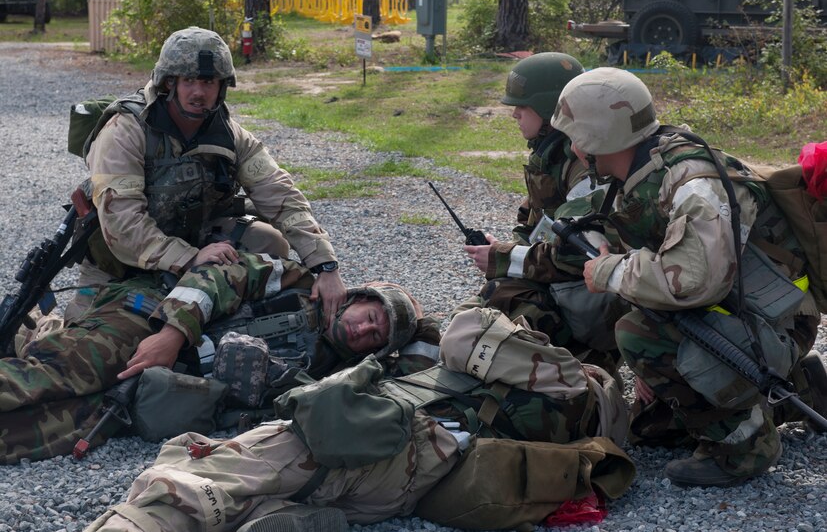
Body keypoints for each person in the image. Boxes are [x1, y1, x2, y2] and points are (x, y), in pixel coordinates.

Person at [82, 305, 631, 532]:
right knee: (262, 483)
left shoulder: (569, 385)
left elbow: (466, 331)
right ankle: (289, 514)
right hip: (399, 478)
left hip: (384, 437)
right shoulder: (554, 415)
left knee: (197, 474)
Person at [549, 67, 824, 487]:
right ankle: (799, 390)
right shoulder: (642, 171)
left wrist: (610, 272)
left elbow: (693, 281)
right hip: (737, 314)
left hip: (774, 322)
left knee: (638, 335)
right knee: (653, 429)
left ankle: (746, 448)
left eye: (575, 135)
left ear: (597, 137)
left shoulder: (693, 185)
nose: (572, 146)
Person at [0, 253, 437, 464]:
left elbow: (429, 362)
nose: (363, 330)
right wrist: (171, 336)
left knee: (52, 433)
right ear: (359, 297)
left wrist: (419, 325)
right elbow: (217, 275)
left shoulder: (339, 377)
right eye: (370, 316)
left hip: (162, 387)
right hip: (150, 319)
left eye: (375, 336)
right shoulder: (299, 284)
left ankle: (34, 331)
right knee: (67, 370)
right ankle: (33, 331)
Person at [66, 26, 346, 330]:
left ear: (222, 86)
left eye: (208, 81)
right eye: (188, 80)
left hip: (195, 243)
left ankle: (214, 309)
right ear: (168, 83)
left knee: (269, 242)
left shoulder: (229, 135)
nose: (198, 92)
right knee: (88, 338)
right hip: (122, 264)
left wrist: (325, 265)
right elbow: (123, 225)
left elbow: (280, 194)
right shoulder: (126, 131)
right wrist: (189, 258)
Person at [453, 52, 624, 373]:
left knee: (497, 327)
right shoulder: (550, 156)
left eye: (522, 106)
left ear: (549, 109)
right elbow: (533, 221)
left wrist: (504, 258)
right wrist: (504, 252)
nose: (515, 114)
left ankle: (585, 368)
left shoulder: (584, 163)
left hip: (588, 297)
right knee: (472, 316)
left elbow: (576, 257)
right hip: (562, 282)